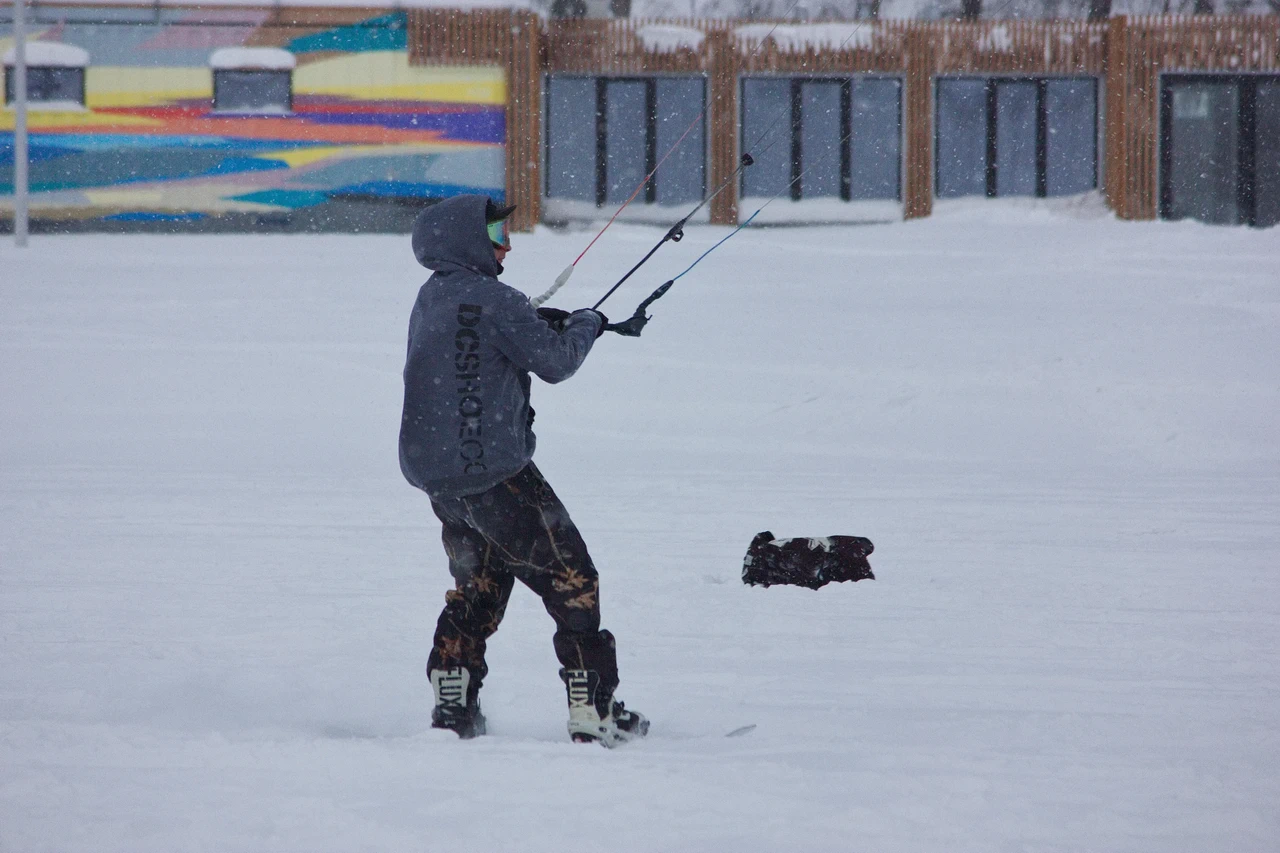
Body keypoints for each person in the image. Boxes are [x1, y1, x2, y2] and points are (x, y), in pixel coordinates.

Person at [398, 193, 648, 747]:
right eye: (494, 235)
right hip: (496, 473)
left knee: (478, 585)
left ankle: (453, 703)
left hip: (442, 480)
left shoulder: (431, 296)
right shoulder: (497, 299)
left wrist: (534, 320)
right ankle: (593, 710)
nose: (506, 243)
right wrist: (587, 322)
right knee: (572, 580)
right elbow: (556, 363)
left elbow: (475, 332)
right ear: (467, 242)